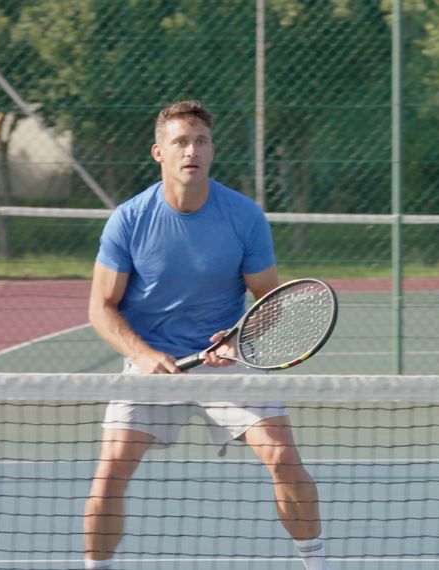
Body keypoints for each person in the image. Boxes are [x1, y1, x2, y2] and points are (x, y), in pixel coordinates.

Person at [83, 100, 329, 570]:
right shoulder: (129, 220)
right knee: (108, 476)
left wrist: (238, 341)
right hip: (149, 366)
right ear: (159, 152)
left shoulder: (243, 216)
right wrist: (143, 354)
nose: (190, 150)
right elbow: (101, 307)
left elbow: (268, 298)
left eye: (200, 141)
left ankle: (315, 563)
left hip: (225, 363)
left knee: (283, 458)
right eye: (180, 142)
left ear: (212, 150)